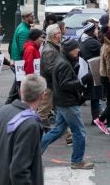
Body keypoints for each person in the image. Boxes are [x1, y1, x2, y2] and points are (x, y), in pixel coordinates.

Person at [41, 38, 95, 170]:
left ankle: (33, 150)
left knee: (58, 130)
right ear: (70, 50)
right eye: (76, 48)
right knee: (79, 132)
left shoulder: (63, 60)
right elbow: (64, 84)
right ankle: (77, 161)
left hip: (62, 101)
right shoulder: (64, 63)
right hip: (67, 102)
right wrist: (81, 81)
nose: (78, 50)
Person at [0, 74, 47, 184]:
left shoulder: (0, 112)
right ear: (43, 95)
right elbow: (19, 171)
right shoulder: (30, 125)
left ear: (20, 92)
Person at [7, 8, 34, 103]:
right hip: (19, 61)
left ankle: (10, 102)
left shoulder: (22, 26)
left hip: (16, 60)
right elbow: (24, 50)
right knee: (19, 83)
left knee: (17, 83)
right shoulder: (24, 31)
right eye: (31, 16)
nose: (33, 17)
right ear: (26, 18)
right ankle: (10, 103)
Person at [38, 24, 62, 130]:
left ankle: (68, 136)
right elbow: (49, 68)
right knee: (43, 112)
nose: (61, 34)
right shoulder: (49, 50)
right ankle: (37, 130)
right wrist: (62, 73)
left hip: (54, 84)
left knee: (60, 110)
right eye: (59, 33)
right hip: (49, 85)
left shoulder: (55, 46)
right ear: (54, 35)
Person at [78, 21, 103, 124]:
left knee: (89, 94)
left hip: (86, 70)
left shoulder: (82, 39)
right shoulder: (92, 42)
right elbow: (103, 51)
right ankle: (95, 118)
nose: (98, 31)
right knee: (94, 95)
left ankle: (95, 118)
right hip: (92, 70)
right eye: (96, 29)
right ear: (92, 31)